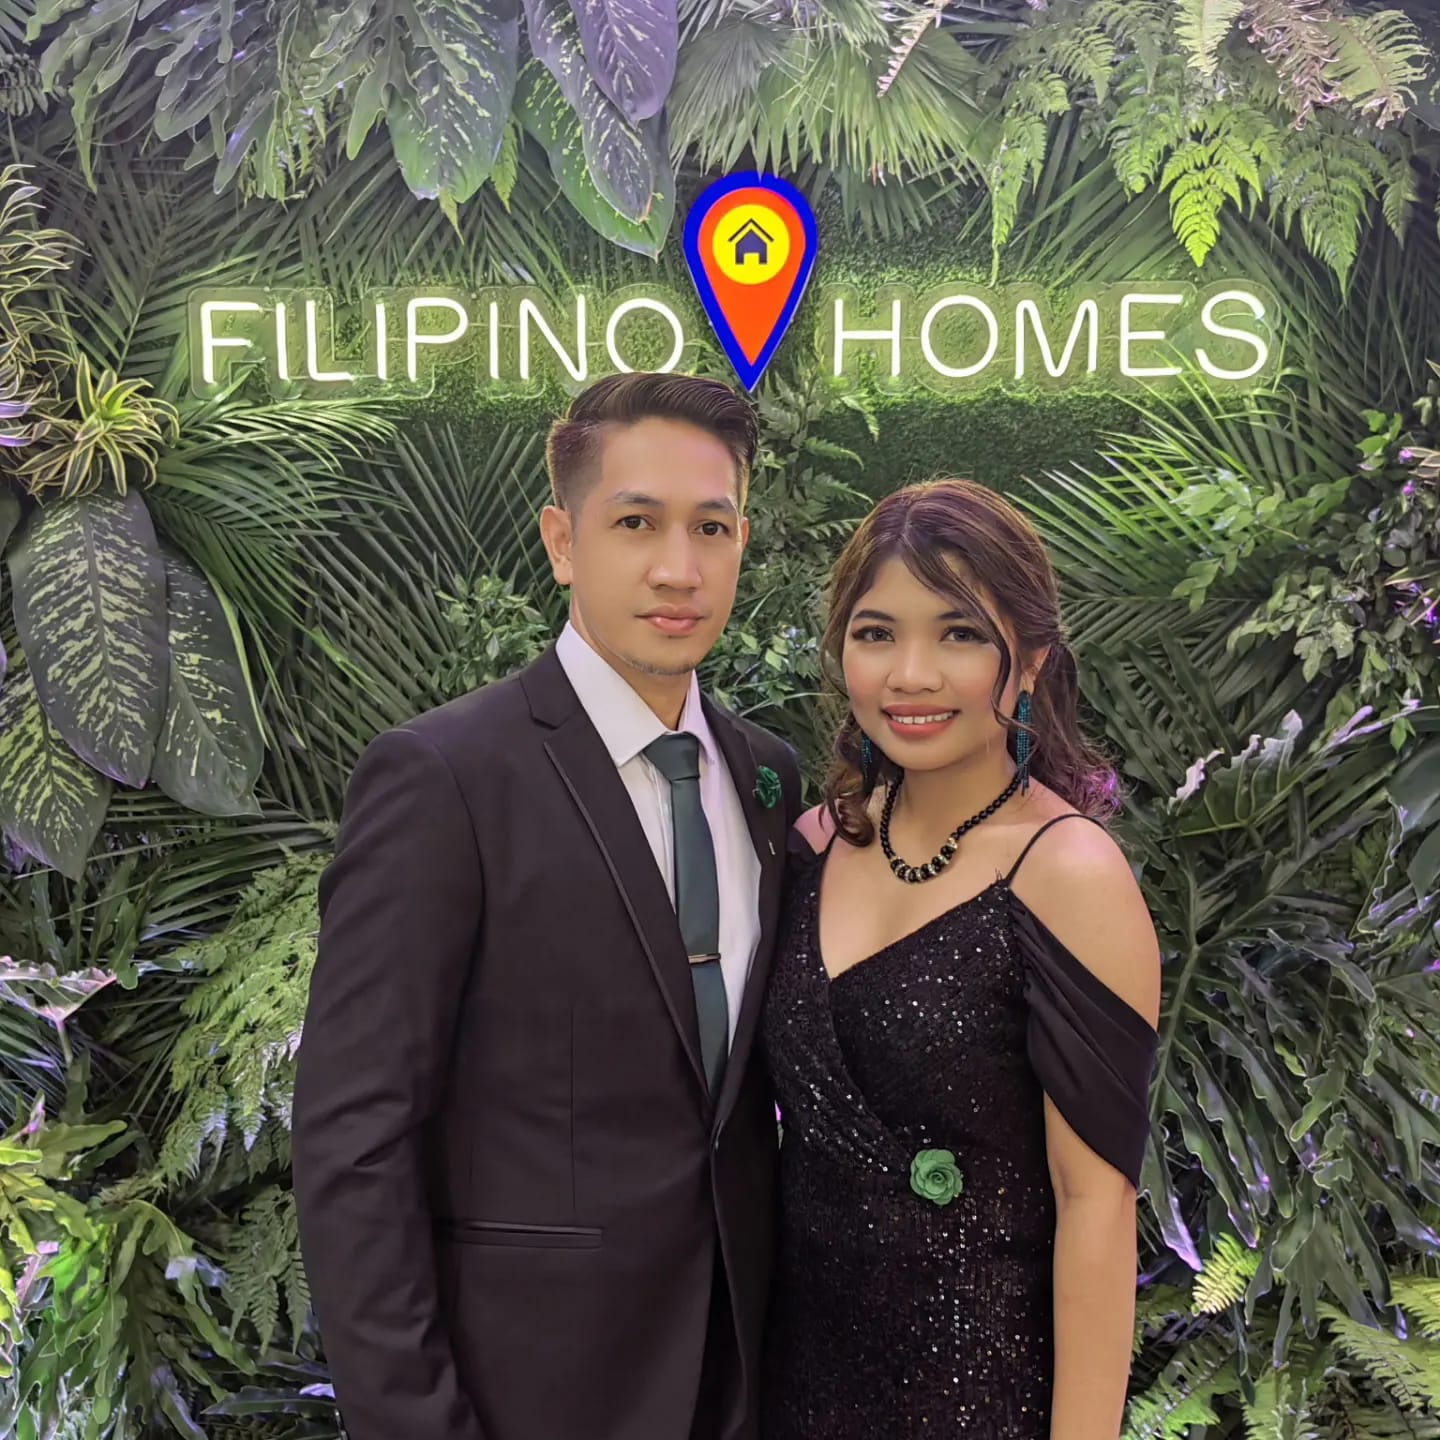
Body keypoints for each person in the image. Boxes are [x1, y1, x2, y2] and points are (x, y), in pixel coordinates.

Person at [291, 372, 803, 1440]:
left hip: (739, 1378)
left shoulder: (767, 778)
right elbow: (355, 1139)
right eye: (636, 522)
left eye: (711, 527)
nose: (679, 567)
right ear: (563, 541)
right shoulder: (446, 776)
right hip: (528, 1392)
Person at [760, 478, 1161, 1440]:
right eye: (876, 633)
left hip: (979, 1393)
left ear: (1028, 663)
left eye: (959, 634)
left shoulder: (1067, 871)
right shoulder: (809, 844)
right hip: (794, 1381)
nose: (912, 674)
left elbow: (1096, 1205)